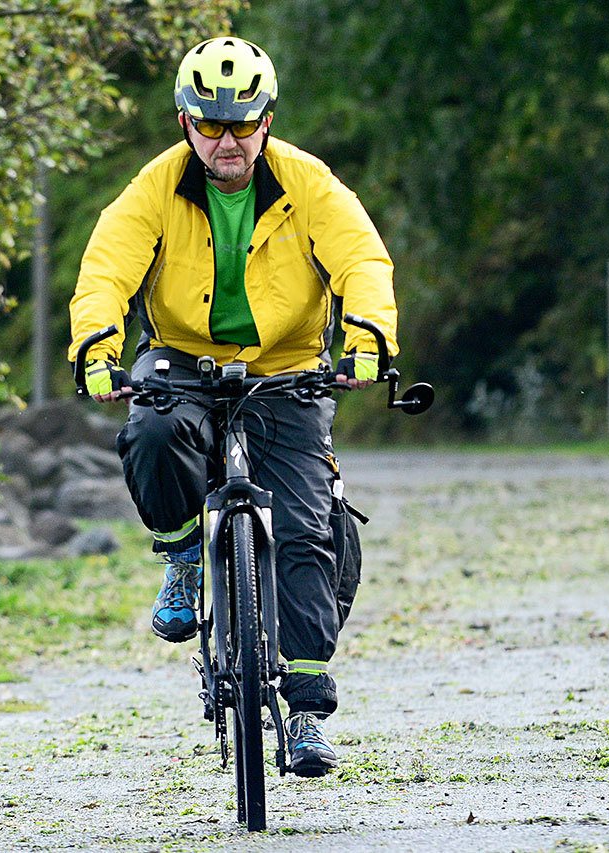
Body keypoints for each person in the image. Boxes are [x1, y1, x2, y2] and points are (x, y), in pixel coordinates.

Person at [68, 35, 398, 777]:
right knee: (151, 431)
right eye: (210, 124)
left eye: (242, 124)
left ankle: (307, 706)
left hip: (285, 367)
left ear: (266, 120)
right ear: (184, 122)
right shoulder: (154, 187)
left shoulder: (309, 183)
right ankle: (184, 554)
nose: (227, 141)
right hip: (181, 357)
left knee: (312, 524)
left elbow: (361, 259)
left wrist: (369, 339)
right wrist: (95, 346)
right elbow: (106, 268)